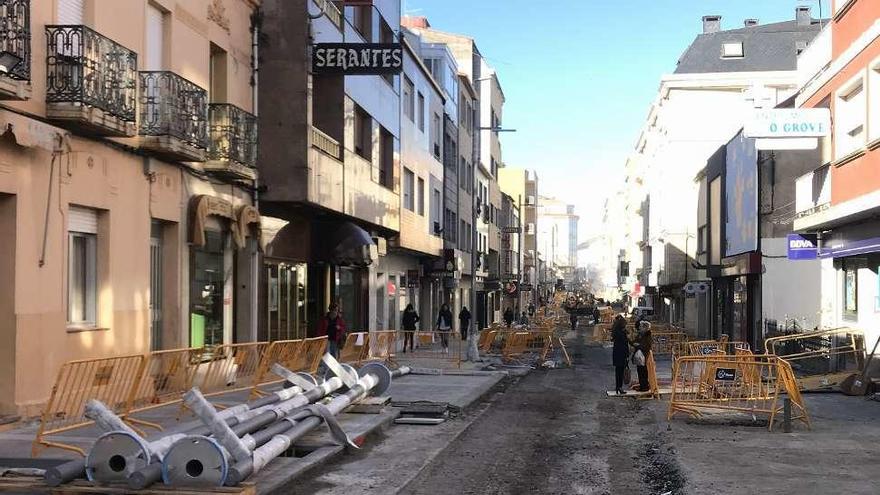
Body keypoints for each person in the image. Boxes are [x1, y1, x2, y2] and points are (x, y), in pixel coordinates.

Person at [611, 315, 630, 395]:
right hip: (621, 355)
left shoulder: (616, 332)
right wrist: (627, 355)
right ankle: (619, 387)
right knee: (620, 372)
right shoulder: (621, 333)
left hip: (617, 354)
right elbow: (624, 345)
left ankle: (618, 387)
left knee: (618, 371)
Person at [633, 321, 653, 392]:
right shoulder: (640, 334)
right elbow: (635, 341)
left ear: (645, 328)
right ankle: (642, 386)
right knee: (640, 371)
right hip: (640, 355)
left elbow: (647, 346)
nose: (639, 328)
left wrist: (638, 345)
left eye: (641, 326)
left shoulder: (647, 335)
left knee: (643, 372)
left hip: (644, 355)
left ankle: (644, 387)